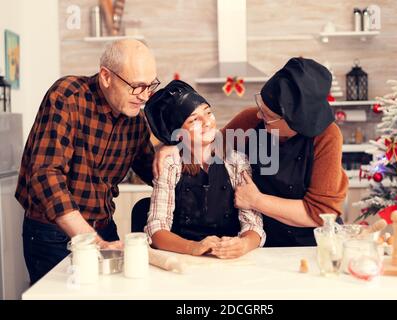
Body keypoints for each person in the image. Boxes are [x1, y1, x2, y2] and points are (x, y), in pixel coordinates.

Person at [154, 57, 348, 249]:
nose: (258, 115)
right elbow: (210, 145)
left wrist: (257, 201)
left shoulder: (327, 137)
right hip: (267, 242)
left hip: (313, 244)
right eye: (260, 107)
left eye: (268, 116)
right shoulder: (249, 121)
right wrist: (173, 145)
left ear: (295, 122)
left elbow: (322, 213)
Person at [15, 39, 159, 284]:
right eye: (137, 86)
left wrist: (168, 153)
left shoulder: (135, 120)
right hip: (52, 235)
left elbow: (152, 170)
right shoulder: (68, 96)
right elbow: (46, 174)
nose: (144, 96)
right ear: (106, 76)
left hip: (103, 228)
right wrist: (91, 241)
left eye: (150, 86)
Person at [143, 80, 265, 259]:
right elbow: (156, 229)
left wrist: (243, 244)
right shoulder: (171, 165)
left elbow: (253, 225)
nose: (207, 122)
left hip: (229, 260)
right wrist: (193, 247)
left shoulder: (237, 162)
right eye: (194, 120)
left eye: (208, 112)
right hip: (183, 259)